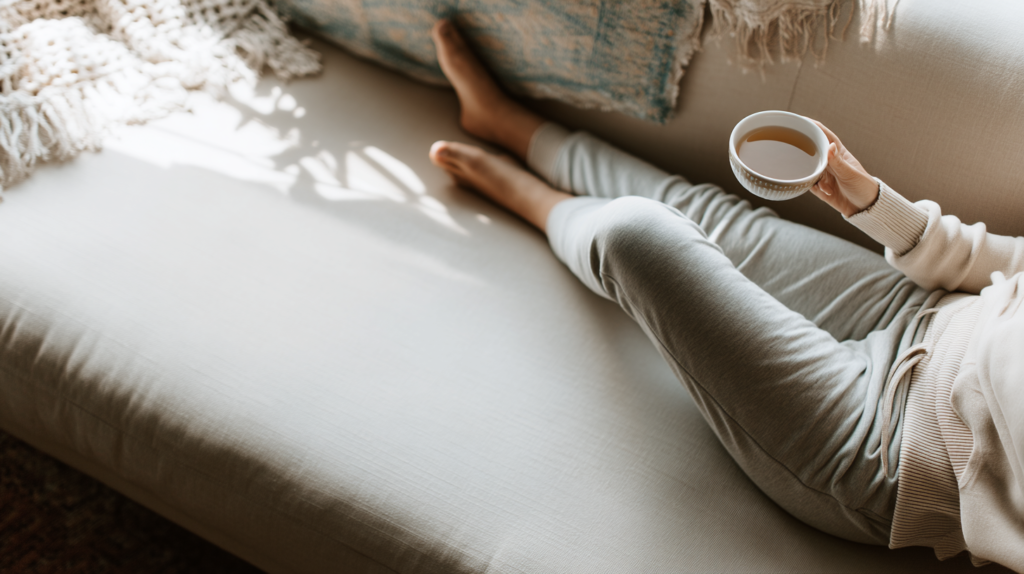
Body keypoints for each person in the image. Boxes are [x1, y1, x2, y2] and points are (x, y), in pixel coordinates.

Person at [426, 19, 1024, 570]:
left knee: (635, 234)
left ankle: (529, 197)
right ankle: (513, 127)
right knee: (716, 219)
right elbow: (999, 262)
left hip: (888, 447)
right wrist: (869, 202)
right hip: (932, 317)